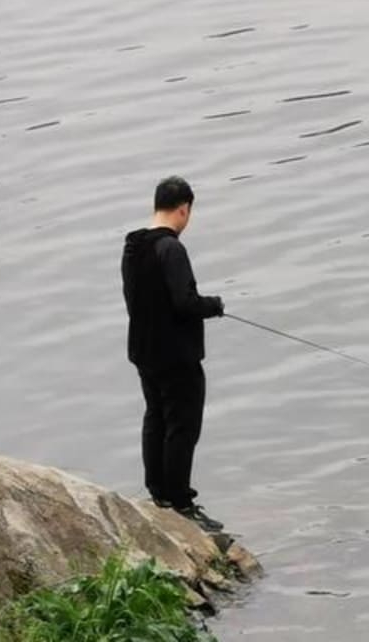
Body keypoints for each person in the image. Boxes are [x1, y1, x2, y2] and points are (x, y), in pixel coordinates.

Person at [121, 176, 225, 533]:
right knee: (183, 425)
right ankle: (181, 502)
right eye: (189, 212)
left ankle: (159, 493)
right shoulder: (172, 249)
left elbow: (137, 299)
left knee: (156, 419)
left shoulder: (133, 247)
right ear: (184, 208)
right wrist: (214, 305)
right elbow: (184, 302)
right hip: (176, 356)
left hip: (144, 351)